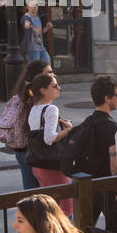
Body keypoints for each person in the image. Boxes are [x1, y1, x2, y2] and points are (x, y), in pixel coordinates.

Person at [23, 71, 76, 214]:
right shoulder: (51, 109)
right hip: (52, 165)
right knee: (67, 205)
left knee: (49, 206)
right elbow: (49, 138)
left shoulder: (34, 108)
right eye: (54, 86)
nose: (59, 88)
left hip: (38, 165)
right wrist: (68, 130)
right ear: (43, 90)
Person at [0, 60, 51, 191]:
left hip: (21, 149)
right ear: (38, 77)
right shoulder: (34, 98)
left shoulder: (22, 94)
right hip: (31, 151)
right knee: (35, 194)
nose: (53, 75)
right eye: (49, 73)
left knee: (32, 191)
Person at [76, 75, 117, 224]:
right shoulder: (110, 126)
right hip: (106, 185)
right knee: (116, 227)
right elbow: (114, 163)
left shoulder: (88, 121)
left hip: (87, 184)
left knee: (85, 230)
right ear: (107, 98)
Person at [21, 0, 52, 64]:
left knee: (47, 63)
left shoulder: (37, 17)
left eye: (36, 5)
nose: (34, 7)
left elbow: (40, 33)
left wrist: (47, 27)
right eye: (32, 5)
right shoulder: (26, 17)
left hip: (41, 47)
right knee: (34, 69)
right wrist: (27, 24)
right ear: (27, 7)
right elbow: (25, 22)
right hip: (32, 49)